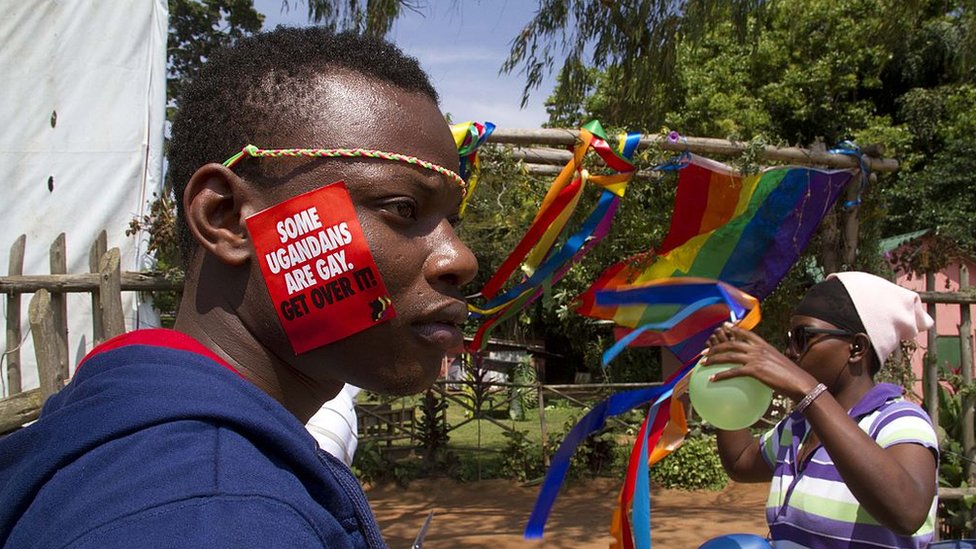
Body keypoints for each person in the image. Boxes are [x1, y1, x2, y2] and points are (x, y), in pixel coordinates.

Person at [0, 27, 476, 548]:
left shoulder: (117, 440)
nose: (460, 258)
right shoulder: (214, 515)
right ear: (226, 218)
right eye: (402, 208)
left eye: (450, 220)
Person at [701, 271, 938, 549]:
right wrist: (726, 391)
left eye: (802, 337)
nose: (789, 352)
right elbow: (740, 462)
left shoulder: (898, 420)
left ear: (857, 348)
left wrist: (807, 390)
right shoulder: (800, 427)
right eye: (789, 337)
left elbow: (907, 512)